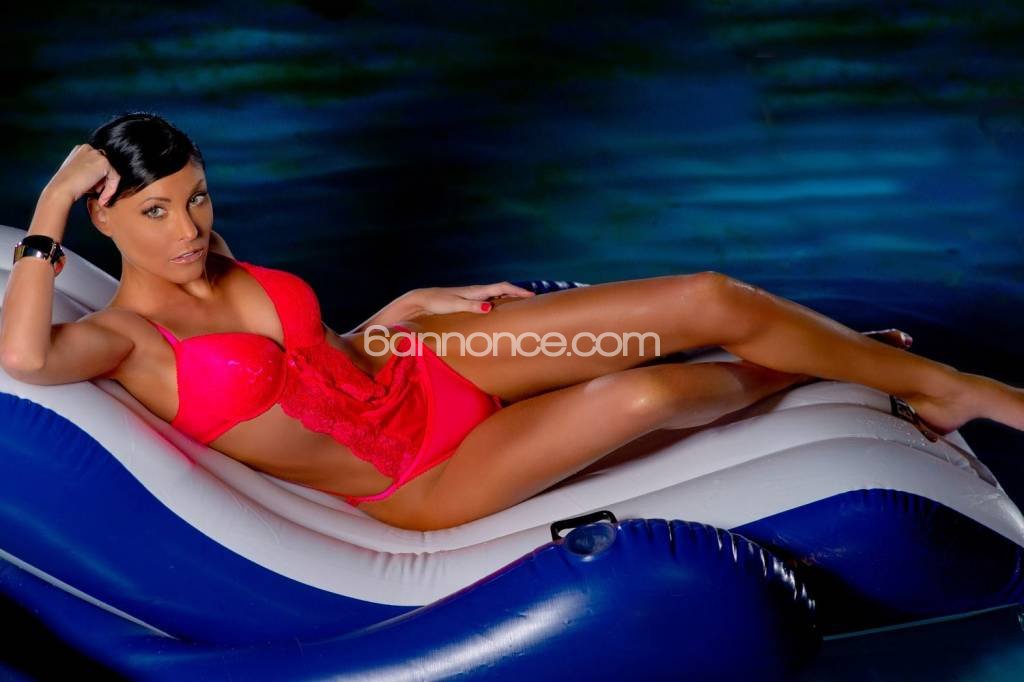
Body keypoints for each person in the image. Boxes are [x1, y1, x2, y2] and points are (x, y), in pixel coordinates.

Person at [2, 112, 1021, 533]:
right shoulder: (122, 342)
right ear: (102, 215)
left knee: (705, 295)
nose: (187, 229)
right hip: (419, 479)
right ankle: (817, 370)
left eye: (197, 198)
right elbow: (20, 356)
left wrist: (400, 312)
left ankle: (953, 388)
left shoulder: (211, 255)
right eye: (154, 212)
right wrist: (48, 205)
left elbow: (313, 358)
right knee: (644, 395)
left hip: (421, 364)